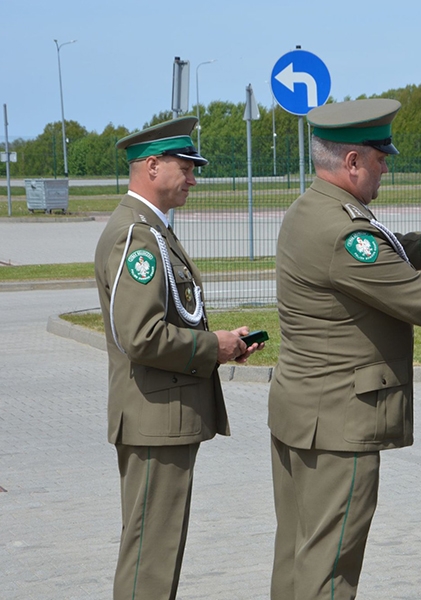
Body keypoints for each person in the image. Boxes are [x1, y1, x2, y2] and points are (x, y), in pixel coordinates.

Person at [267, 98, 421, 600]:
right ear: (352, 162)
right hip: (339, 425)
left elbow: (389, 247)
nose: (386, 166)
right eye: (380, 158)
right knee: (330, 566)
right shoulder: (344, 231)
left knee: (299, 555)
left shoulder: (315, 208)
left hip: (303, 413)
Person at [94, 116, 263, 599]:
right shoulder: (138, 237)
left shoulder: (150, 228)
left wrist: (224, 341)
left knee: (155, 550)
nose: (193, 178)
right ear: (151, 166)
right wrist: (215, 348)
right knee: (151, 556)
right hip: (154, 417)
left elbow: (170, 318)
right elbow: (141, 336)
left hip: (161, 417)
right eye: (185, 167)